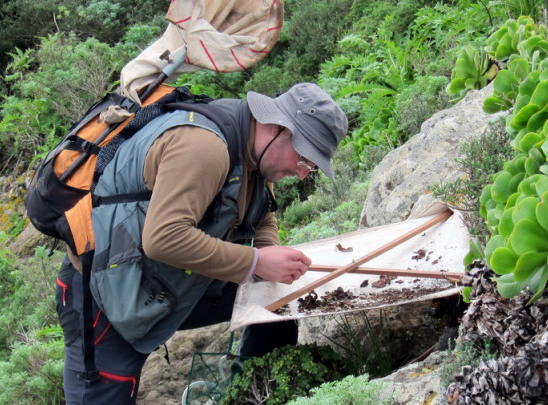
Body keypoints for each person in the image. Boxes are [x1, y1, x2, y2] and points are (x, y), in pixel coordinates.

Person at [55, 82, 348, 404]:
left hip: (168, 277)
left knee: (276, 301)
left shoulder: (252, 148)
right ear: (278, 128)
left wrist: (265, 257)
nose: (303, 172)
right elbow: (164, 238)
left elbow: (262, 212)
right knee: (107, 394)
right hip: (104, 288)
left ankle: (250, 393)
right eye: (304, 156)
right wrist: (257, 262)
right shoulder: (203, 146)